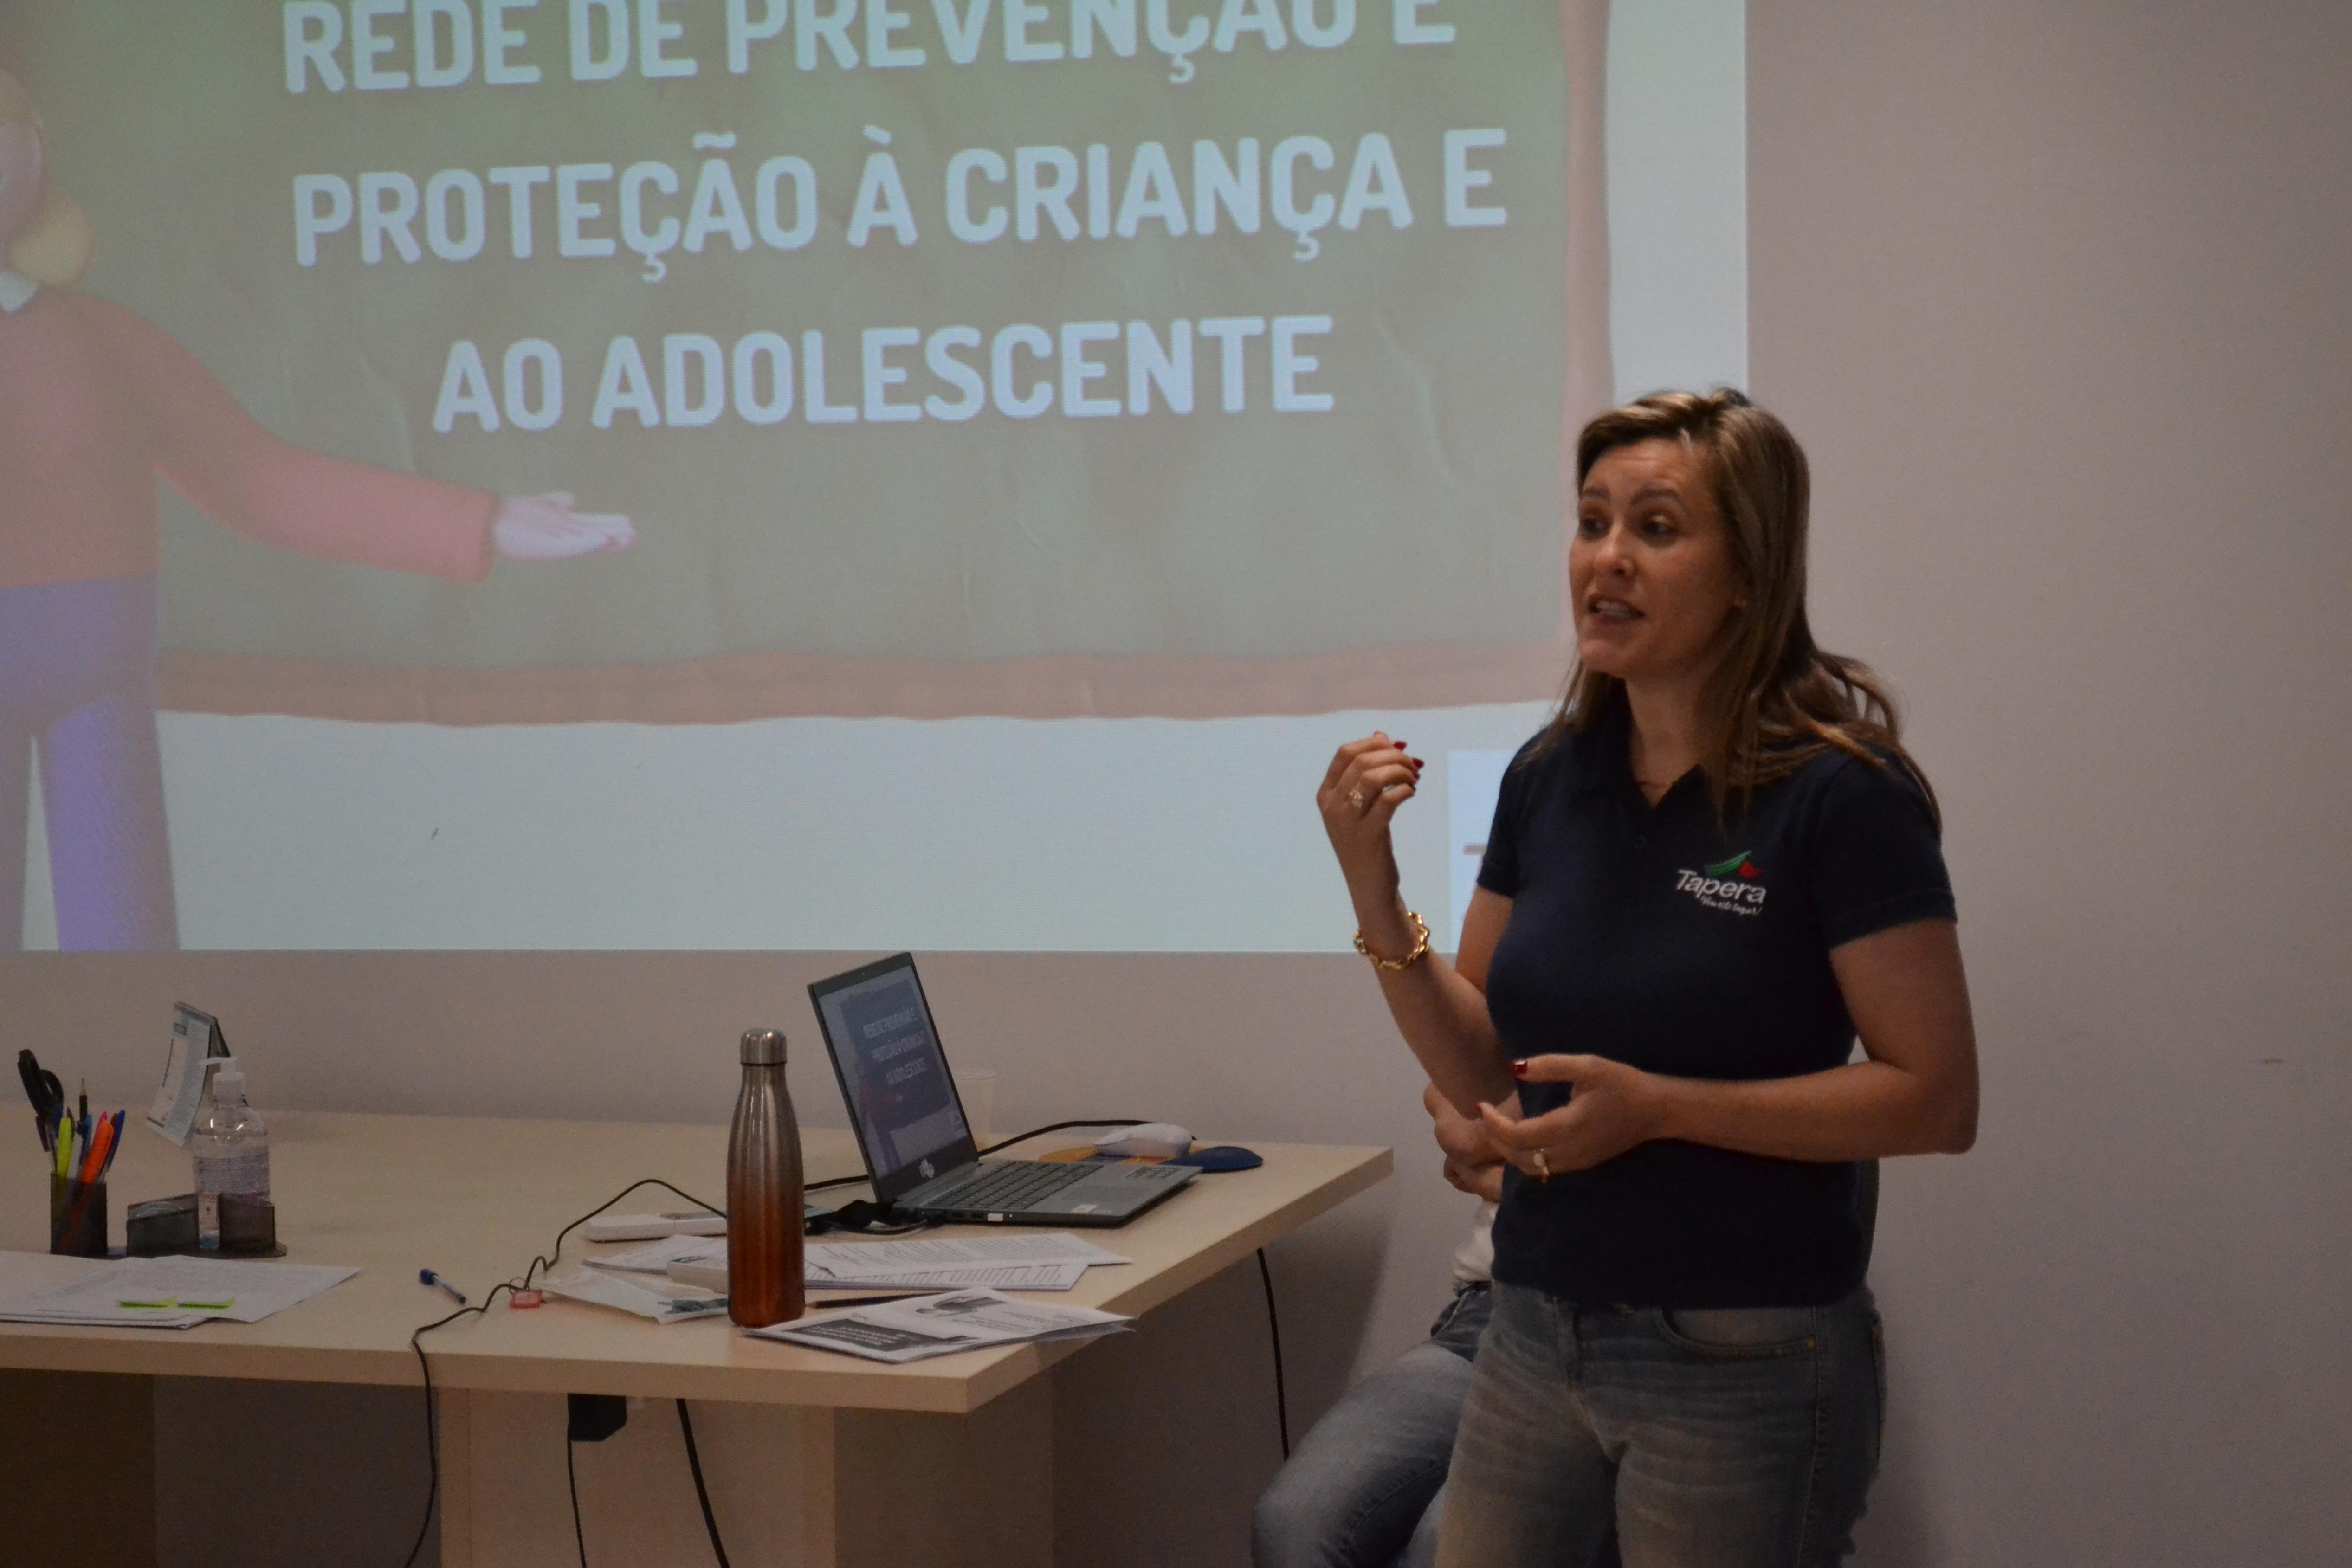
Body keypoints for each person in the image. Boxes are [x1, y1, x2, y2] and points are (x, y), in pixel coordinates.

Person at [1316, 389, 1978, 1568]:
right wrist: (1373, 888)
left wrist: (1661, 1109)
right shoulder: (1549, 777)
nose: (1607, 558)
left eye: (1656, 528)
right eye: (1591, 522)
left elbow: (1935, 1098)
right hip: (1533, 1325)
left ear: (1748, 575)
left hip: (1741, 1352)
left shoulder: (1843, 795)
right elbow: (1486, 1060)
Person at [0, 69, 632, 950]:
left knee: (128, 946)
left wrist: (478, 520)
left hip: (100, 682)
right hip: (94, 661)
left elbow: (257, 477)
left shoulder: (97, 339)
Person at [1251, 1085, 1507, 1568]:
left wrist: (1514, 1179)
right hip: (1488, 1313)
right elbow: (1451, 1106)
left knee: (1447, 1546)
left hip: (1626, 1333)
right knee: (1292, 1524)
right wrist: (1512, 1171)